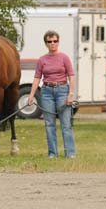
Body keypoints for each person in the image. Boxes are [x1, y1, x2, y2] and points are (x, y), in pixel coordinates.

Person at [27, 30, 76, 158]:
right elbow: (37, 78)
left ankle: (70, 153)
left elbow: (71, 76)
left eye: (55, 41)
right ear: (46, 43)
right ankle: (52, 153)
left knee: (66, 124)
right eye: (50, 41)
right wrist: (31, 96)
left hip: (62, 90)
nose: (53, 43)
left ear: (58, 42)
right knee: (49, 124)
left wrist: (70, 94)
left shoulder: (64, 57)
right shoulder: (42, 60)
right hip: (47, 92)